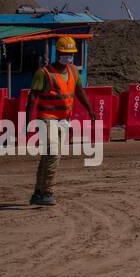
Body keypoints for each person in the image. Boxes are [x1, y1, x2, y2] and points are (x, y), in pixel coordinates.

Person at [24, 36, 96, 207]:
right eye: (66, 53)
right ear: (58, 52)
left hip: (64, 120)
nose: (69, 56)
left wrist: (90, 109)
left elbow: (79, 91)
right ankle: (47, 191)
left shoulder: (73, 71)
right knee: (53, 154)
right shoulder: (43, 73)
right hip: (46, 119)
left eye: (71, 53)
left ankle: (38, 192)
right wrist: (27, 123)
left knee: (49, 156)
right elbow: (32, 98)